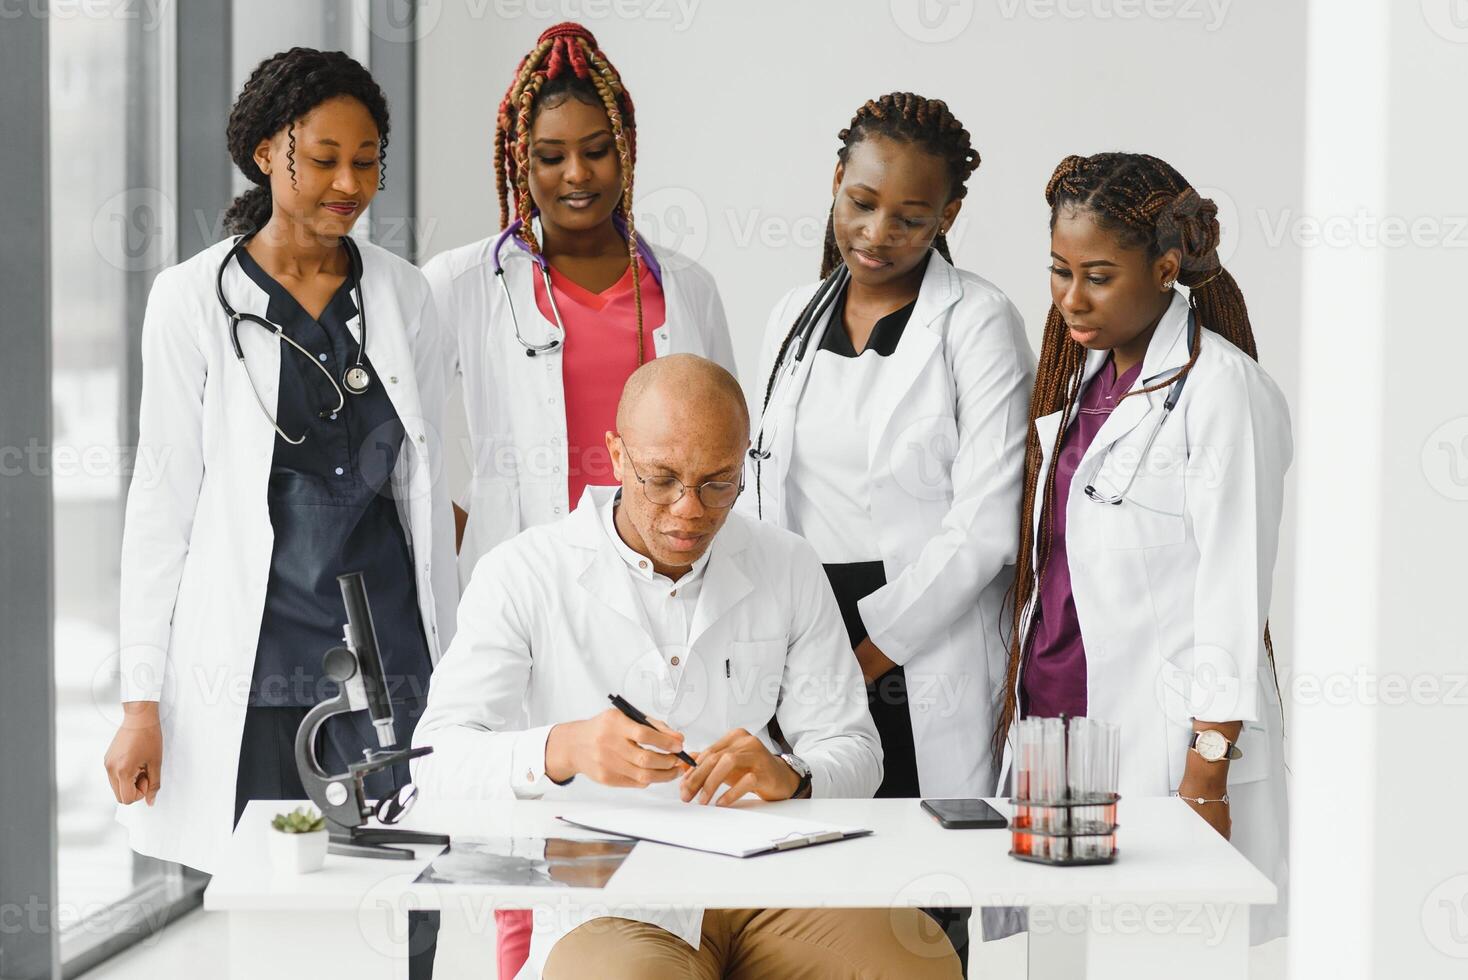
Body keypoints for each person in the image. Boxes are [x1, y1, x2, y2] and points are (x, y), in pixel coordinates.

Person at [412, 354, 962, 980]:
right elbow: (435, 763)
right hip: (610, 890)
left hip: (766, 877)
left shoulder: (785, 563)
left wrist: (794, 775)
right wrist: (565, 748)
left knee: (915, 960)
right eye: (662, 479)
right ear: (617, 455)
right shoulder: (522, 573)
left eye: (717, 482)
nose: (689, 510)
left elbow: (856, 750)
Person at [101, 47, 454, 973]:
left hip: (393, 646)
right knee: (277, 906)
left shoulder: (404, 293)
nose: (350, 182)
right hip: (260, 660)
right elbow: (162, 503)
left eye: (369, 159)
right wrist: (142, 699)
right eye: (324, 157)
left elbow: (435, 488)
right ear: (265, 153)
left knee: (407, 894)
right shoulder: (191, 300)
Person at [743, 92, 1035, 967]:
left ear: (950, 214)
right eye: (861, 204)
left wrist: (866, 648)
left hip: (913, 636)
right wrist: (787, 641)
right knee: (816, 880)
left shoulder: (978, 322)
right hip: (802, 620)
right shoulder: (793, 314)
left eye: (911, 218)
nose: (876, 234)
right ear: (836, 181)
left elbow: (986, 523)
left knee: (920, 890)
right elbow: (763, 490)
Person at [996, 151, 1291, 943]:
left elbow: (1234, 593)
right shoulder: (1075, 379)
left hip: (1161, 749)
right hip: (1055, 727)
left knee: (1160, 951)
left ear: (1165, 267)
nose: (1070, 299)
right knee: (1050, 954)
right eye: (1059, 271)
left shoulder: (1223, 390)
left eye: (1098, 274)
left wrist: (1206, 769)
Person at [424, 21, 735, 581]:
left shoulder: (688, 287)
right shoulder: (463, 282)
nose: (576, 174)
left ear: (626, 149)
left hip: (662, 570)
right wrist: (465, 534)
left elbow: (728, 444)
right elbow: (397, 431)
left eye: (596, 151)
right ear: (522, 162)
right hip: (527, 574)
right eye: (550, 156)